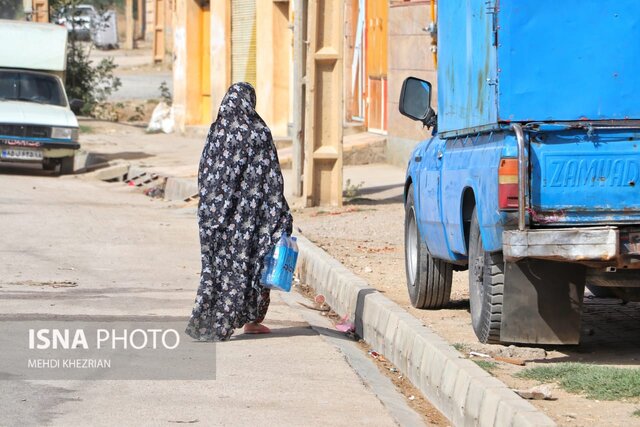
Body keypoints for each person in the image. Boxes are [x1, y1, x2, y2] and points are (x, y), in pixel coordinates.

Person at [185, 82, 293, 341]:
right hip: (252, 219)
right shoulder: (258, 132)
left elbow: (205, 173)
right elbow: (272, 178)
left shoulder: (216, 131)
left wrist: (211, 209)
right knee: (255, 265)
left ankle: (211, 318)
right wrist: (280, 214)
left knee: (218, 269)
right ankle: (252, 321)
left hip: (216, 217)